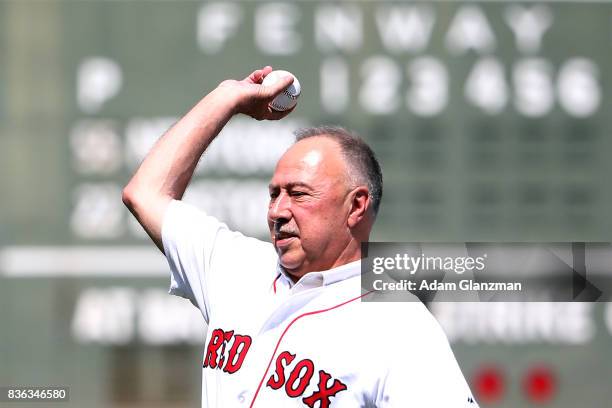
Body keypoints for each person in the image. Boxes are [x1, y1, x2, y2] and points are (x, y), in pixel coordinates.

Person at [123, 66, 478, 407]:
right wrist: (227, 97)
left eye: (298, 194)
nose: (278, 210)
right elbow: (145, 193)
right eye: (274, 193)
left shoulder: (402, 329)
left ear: (356, 206)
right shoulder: (236, 267)